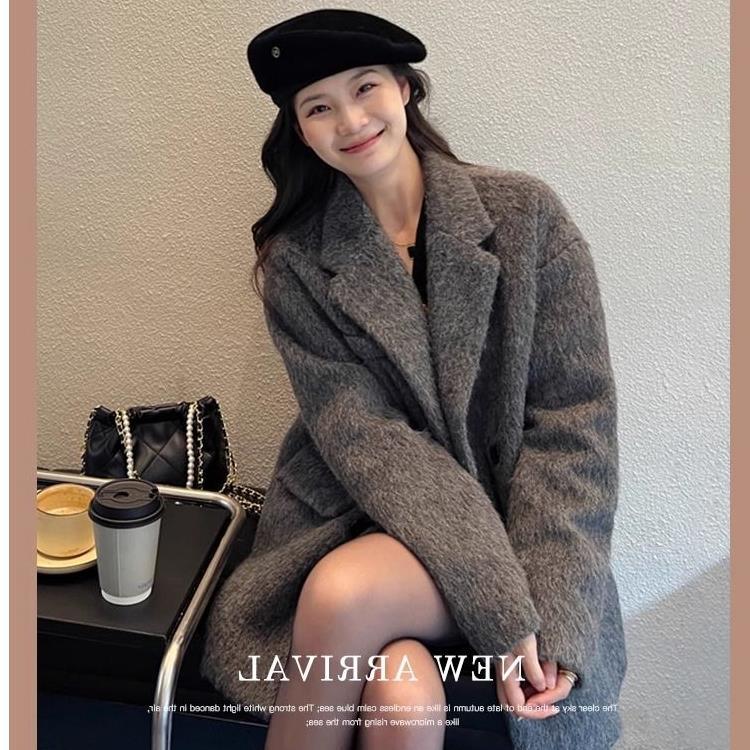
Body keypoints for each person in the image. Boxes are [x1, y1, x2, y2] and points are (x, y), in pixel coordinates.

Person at [200, 8, 627, 750]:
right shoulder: (297, 262)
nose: (350, 120)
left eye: (365, 87)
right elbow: (368, 442)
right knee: (391, 675)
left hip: (519, 530)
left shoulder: (527, 217)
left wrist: (546, 609)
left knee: (361, 623)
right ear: (300, 130)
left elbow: (574, 428)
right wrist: (500, 608)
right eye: (319, 107)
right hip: (359, 512)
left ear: (404, 88)